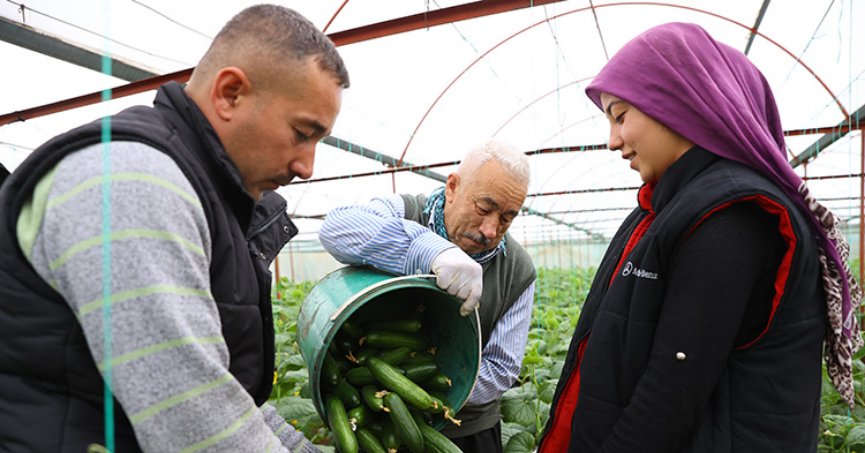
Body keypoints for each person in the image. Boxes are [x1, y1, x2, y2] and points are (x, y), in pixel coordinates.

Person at [0, 5, 348, 452]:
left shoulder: (203, 191)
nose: (307, 167)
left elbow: (215, 379)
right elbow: (193, 419)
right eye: (302, 133)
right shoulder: (132, 179)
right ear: (229, 94)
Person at [539, 22, 863, 453]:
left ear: (678, 101)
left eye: (620, 115)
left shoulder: (732, 218)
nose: (613, 141)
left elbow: (667, 397)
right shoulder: (674, 206)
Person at [319, 139, 536, 452]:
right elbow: (336, 228)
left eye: (506, 218)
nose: (490, 230)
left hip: (468, 430)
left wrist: (414, 391)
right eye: (483, 208)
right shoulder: (405, 211)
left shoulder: (518, 269)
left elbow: (502, 368)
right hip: (372, 424)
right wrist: (429, 251)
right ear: (452, 187)